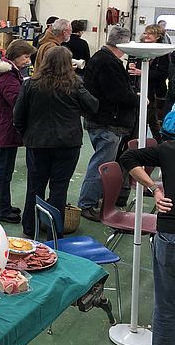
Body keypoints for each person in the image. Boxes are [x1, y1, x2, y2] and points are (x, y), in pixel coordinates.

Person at [14, 46, 98, 238]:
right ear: (68, 65)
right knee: (59, 188)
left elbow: (18, 116)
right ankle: (54, 232)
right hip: (67, 144)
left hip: (37, 143)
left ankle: (30, 228)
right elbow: (93, 106)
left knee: (35, 187)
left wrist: (27, 134)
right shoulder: (75, 84)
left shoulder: (30, 84)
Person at [120, 142, 174, 345]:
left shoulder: (169, 149)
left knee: (165, 307)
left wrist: (154, 188)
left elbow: (128, 157)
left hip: (171, 235)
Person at [77, 26, 139, 222]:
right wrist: (138, 99)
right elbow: (117, 94)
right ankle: (86, 204)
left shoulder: (104, 58)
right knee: (101, 165)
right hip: (106, 122)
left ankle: (94, 199)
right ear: (122, 43)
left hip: (104, 120)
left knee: (103, 162)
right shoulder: (107, 62)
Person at [0, 40, 36, 224]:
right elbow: (18, 103)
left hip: (3, 127)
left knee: (5, 170)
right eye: (26, 57)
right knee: (4, 171)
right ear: (16, 56)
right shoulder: (8, 78)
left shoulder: (7, 74)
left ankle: (3, 204)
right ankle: (0, 209)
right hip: (6, 129)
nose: (28, 61)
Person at [128, 24, 170, 142]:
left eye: (150, 33)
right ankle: (159, 142)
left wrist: (143, 72)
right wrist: (131, 67)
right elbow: (131, 68)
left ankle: (139, 142)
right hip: (139, 88)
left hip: (153, 92)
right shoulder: (138, 49)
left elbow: (163, 74)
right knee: (152, 120)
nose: (146, 35)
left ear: (157, 36)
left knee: (144, 118)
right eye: (145, 33)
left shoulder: (162, 53)